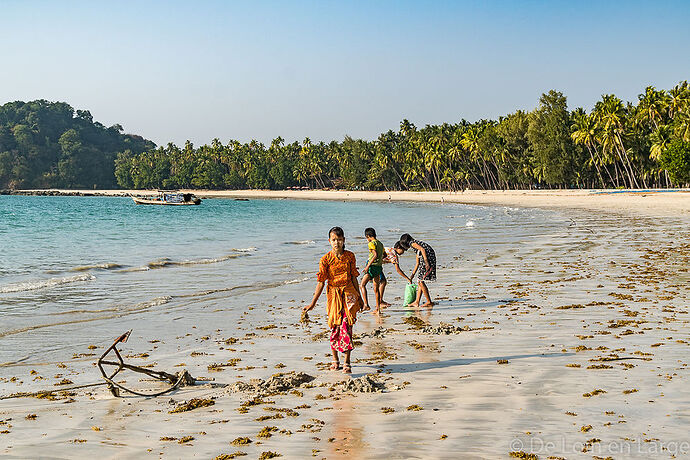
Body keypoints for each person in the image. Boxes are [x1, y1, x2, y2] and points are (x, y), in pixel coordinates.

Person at [302, 227, 363, 374]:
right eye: (334, 240)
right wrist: (313, 303)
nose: (337, 243)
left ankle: (347, 361)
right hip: (333, 295)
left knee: (347, 327)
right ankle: (335, 360)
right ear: (329, 241)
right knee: (335, 328)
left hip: (349, 294)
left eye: (339, 239)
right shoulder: (325, 260)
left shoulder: (350, 256)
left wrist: (360, 298)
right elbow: (321, 282)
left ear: (344, 241)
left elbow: (354, 277)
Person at [398, 233, 436, 308]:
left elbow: (423, 249)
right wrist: (412, 276)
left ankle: (429, 302)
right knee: (420, 281)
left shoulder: (412, 243)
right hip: (429, 257)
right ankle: (417, 302)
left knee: (420, 281)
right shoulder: (416, 246)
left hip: (428, 258)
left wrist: (426, 262)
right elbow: (417, 263)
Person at [360, 227, 384, 314]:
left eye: (367, 238)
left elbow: (375, 255)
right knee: (376, 289)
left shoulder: (371, 243)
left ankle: (366, 304)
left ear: (368, 236)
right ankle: (378, 309)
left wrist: (367, 266)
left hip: (372, 267)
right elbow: (383, 254)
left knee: (362, 285)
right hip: (378, 267)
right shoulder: (380, 244)